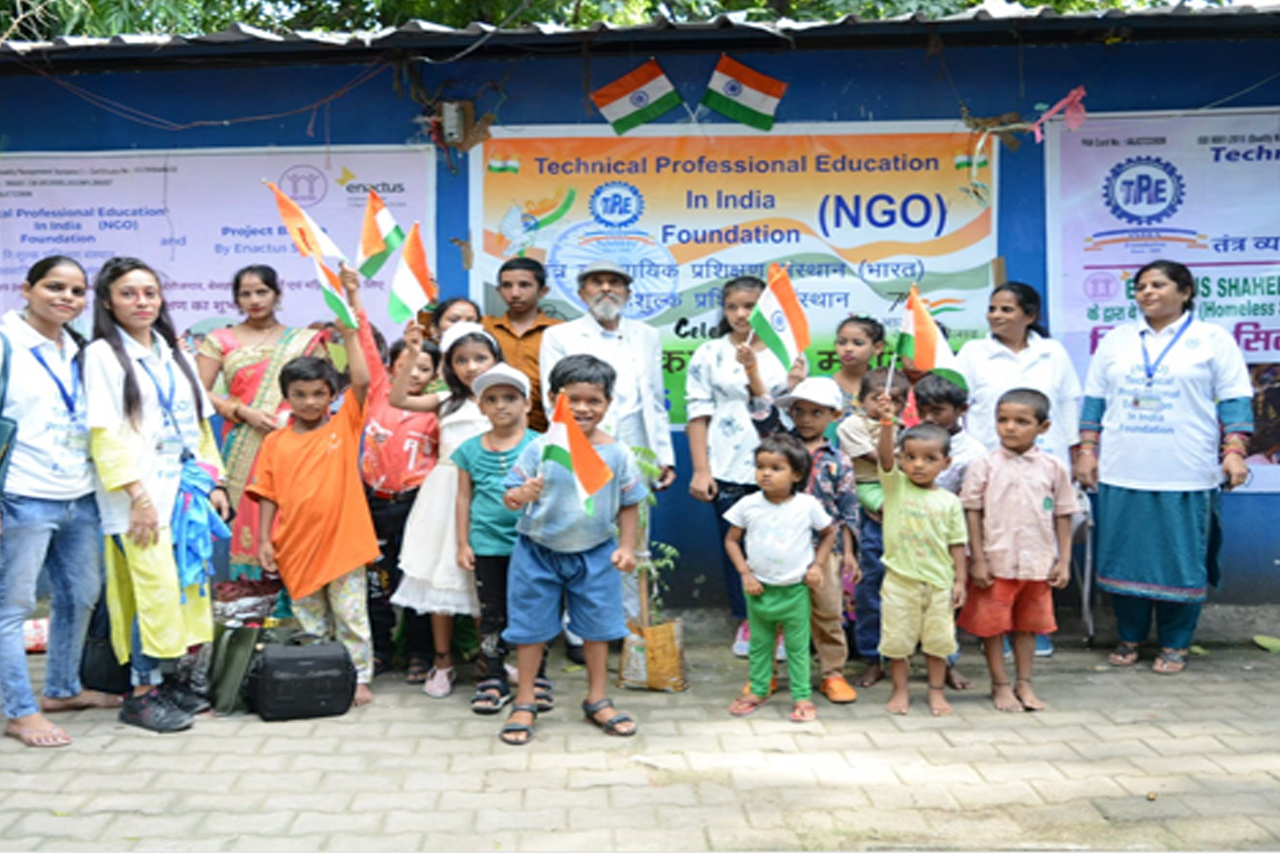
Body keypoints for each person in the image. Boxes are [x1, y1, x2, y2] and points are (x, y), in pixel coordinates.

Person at [1077, 259, 1253, 676]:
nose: (1147, 293)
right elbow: (1095, 399)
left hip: (1186, 469)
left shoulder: (1212, 339)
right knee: (1124, 557)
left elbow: (1234, 399)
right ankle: (1129, 637)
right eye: (1141, 287)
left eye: (1158, 285)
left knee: (1181, 559)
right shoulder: (1117, 340)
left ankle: (1176, 643)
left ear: (1185, 292)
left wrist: (1234, 451)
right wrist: (1087, 450)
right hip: (1123, 468)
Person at [85, 257, 230, 733]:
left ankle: (167, 683)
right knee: (152, 593)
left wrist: (215, 482)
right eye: (128, 293)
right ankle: (141, 693)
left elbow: (199, 428)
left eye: (149, 292)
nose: (141, 302)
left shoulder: (174, 353)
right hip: (137, 502)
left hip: (183, 494)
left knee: (184, 594)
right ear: (108, 302)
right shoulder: (102, 356)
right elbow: (104, 434)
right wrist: (138, 498)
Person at [499, 354, 648, 745]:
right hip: (537, 552)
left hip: (596, 554)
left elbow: (630, 502)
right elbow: (509, 498)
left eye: (593, 400)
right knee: (530, 629)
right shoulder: (539, 448)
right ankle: (525, 699)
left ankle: (597, 698)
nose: (583, 408)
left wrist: (627, 546)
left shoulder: (617, 453)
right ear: (553, 399)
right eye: (573, 399)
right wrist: (521, 493)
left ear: (608, 404)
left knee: (598, 630)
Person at [248, 268, 379, 707]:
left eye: (319, 393)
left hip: (344, 543)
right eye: (300, 394)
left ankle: (359, 677)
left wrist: (350, 328)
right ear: (286, 396)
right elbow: (267, 494)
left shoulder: (344, 425)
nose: (310, 402)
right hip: (295, 545)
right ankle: (320, 677)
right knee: (309, 620)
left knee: (351, 617)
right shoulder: (274, 442)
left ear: (331, 395)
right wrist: (265, 540)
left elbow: (362, 381)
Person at [0, 257, 117, 748]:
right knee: (13, 606)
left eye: (76, 290)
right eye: (54, 287)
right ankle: (19, 711)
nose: (66, 297)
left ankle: (63, 690)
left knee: (80, 595)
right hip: (21, 495)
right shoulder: (6, 342)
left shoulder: (80, 348)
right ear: (26, 289)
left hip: (78, 494)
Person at [390, 321, 499, 697]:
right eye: (461, 360)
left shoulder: (502, 398)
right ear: (449, 366)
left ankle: (489, 659)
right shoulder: (445, 400)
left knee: (485, 581)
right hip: (445, 493)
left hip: (487, 493)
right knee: (441, 577)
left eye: (480, 358)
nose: (471, 367)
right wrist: (412, 354)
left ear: (496, 360)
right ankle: (442, 661)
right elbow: (398, 399)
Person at [195, 265, 322, 585]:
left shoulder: (304, 341)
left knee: (295, 514)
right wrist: (241, 411)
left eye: (262, 292)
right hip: (243, 442)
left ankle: (298, 603)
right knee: (249, 517)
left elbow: (321, 390)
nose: (254, 300)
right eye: (245, 294)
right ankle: (252, 600)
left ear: (277, 294)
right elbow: (196, 391)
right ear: (236, 299)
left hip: (295, 441)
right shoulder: (219, 340)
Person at [684, 275, 790, 657]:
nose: (741, 314)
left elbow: (792, 411)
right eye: (732, 307)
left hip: (779, 463)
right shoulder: (709, 352)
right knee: (737, 545)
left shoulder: (786, 352)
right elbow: (697, 412)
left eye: (750, 306)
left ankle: (781, 622)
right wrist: (701, 470)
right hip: (727, 464)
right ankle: (748, 619)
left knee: (780, 543)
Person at [958, 389, 1079, 712]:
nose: (1010, 427)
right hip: (995, 562)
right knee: (992, 627)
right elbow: (972, 511)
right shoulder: (984, 465)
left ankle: (1024, 683)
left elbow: (1064, 513)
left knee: (1028, 626)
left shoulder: (1053, 467)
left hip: (1037, 563)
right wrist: (978, 558)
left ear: (1044, 427)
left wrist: (1064, 560)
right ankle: (999, 684)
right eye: (1003, 420)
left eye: (1021, 422)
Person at [747, 376, 860, 703]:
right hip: (778, 548)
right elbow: (763, 413)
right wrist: (753, 370)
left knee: (827, 613)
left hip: (824, 550)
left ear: (834, 415)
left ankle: (832, 673)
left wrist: (848, 552)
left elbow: (847, 509)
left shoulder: (839, 460)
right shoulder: (780, 448)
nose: (806, 419)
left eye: (816, 412)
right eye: (799, 411)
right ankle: (764, 674)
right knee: (771, 613)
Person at [354, 292, 439, 682]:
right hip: (373, 504)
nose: (414, 373)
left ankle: (420, 652)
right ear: (390, 368)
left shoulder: (438, 409)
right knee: (377, 581)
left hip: (417, 505)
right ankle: (380, 649)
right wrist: (354, 298)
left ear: (435, 375)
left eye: (423, 367)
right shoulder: (377, 397)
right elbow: (366, 344)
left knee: (415, 579)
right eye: (406, 364)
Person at [724, 433, 837, 723]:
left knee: (798, 649)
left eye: (776, 468)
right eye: (760, 466)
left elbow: (829, 533)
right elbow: (731, 541)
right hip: (759, 589)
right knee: (760, 646)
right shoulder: (747, 505)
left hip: (795, 590)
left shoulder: (807, 505)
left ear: (796, 474)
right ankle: (758, 690)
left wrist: (817, 566)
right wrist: (745, 574)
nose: (766, 474)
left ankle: (802, 696)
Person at [453, 363, 540, 714]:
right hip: (487, 544)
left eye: (510, 398)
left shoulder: (540, 445)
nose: (501, 405)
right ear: (480, 406)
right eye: (491, 399)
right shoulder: (469, 450)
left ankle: (536, 677)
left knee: (533, 609)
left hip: (532, 544)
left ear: (527, 404)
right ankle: (493, 676)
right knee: (492, 613)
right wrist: (463, 543)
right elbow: (463, 498)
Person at [875, 418, 968, 716]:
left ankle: (936, 692)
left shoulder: (950, 502)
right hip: (900, 582)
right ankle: (900, 691)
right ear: (901, 459)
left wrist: (960, 582)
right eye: (910, 457)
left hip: (939, 584)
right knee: (897, 642)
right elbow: (884, 458)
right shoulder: (896, 487)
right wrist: (887, 424)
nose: (918, 465)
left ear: (946, 463)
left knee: (938, 642)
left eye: (929, 459)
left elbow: (957, 543)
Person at [837, 367, 910, 688]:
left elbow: (910, 464)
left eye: (894, 401)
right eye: (877, 399)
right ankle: (872, 657)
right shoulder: (852, 426)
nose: (885, 405)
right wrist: (886, 425)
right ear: (860, 399)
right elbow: (884, 461)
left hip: (902, 495)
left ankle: (913, 656)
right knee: (871, 586)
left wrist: (892, 425)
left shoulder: (905, 428)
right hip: (869, 491)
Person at [482, 258, 562, 433]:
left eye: (524, 285)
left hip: (546, 428)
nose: (515, 293)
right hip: (492, 426)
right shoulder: (485, 327)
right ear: (499, 290)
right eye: (507, 286)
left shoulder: (560, 332)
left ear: (543, 291)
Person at [829, 316, 886, 426]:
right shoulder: (820, 385)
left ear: (877, 347)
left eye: (858, 343)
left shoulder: (886, 387)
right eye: (842, 342)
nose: (848, 349)